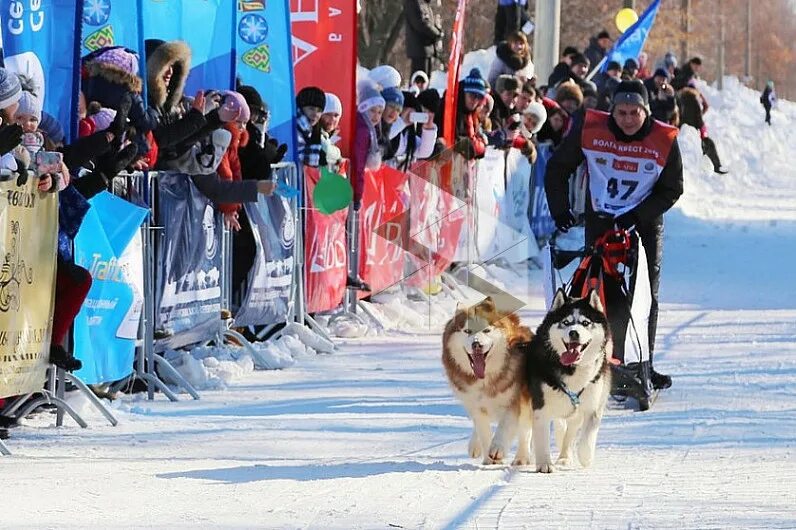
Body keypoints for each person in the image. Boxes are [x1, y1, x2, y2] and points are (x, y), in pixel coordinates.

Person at [544, 80, 683, 401]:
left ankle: (642, 362)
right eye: (621, 112)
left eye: (635, 112)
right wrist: (560, 209)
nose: (628, 119)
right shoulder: (591, 128)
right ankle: (597, 361)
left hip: (643, 224)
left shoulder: (663, 138)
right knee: (598, 291)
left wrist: (636, 217)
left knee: (644, 293)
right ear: (612, 110)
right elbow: (558, 168)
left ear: (645, 111)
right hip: (602, 222)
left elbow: (672, 188)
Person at [678, 86, 727, 174]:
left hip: (681, 131)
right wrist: (702, 131)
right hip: (693, 132)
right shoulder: (694, 100)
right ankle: (717, 167)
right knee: (709, 144)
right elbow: (699, 118)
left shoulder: (680, 99)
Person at [404, 0, 444, 78]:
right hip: (419, 48)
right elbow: (420, 24)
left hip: (427, 48)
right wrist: (436, 33)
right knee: (419, 79)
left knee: (426, 79)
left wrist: (438, 30)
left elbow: (429, 22)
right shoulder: (414, 2)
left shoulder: (424, 3)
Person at [295, 86, 326, 168]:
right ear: (301, 107)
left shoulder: (312, 130)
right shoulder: (296, 129)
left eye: (319, 110)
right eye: (311, 108)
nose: (315, 114)